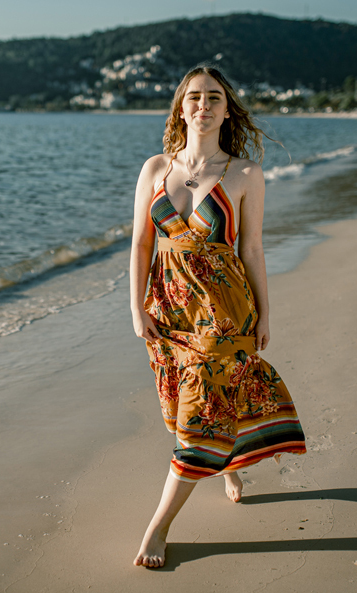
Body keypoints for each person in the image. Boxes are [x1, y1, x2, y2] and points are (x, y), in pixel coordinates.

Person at [129, 65, 307, 569]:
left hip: (223, 312)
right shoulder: (155, 169)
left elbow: (251, 248)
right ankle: (226, 464)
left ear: (228, 110)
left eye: (213, 98)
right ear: (180, 107)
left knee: (199, 413)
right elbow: (142, 243)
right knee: (176, 408)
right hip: (167, 306)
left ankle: (158, 527)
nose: (203, 105)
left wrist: (266, 313)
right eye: (194, 97)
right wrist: (136, 305)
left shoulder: (246, 173)